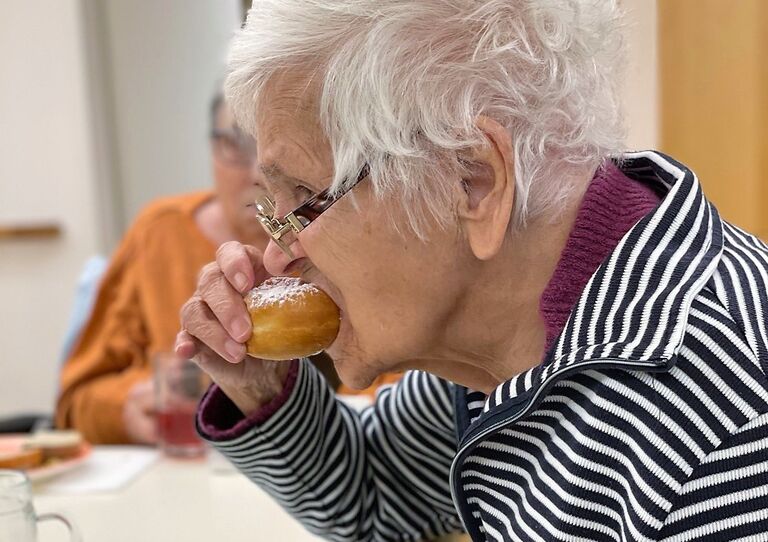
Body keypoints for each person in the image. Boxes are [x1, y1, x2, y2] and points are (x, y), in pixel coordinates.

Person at [179, 1, 768, 541]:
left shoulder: (723, 442)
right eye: (271, 208)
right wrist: (258, 387)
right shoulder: (501, 328)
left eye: (306, 198)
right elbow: (376, 493)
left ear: (474, 182)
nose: (276, 255)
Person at [56, 94, 396, 445]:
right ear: (212, 148)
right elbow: (74, 403)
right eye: (237, 144)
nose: (257, 172)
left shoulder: (369, 241)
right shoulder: (159, 234)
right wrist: (126, 407)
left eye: (286, 149)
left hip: (328, 459)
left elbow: (403, 415)